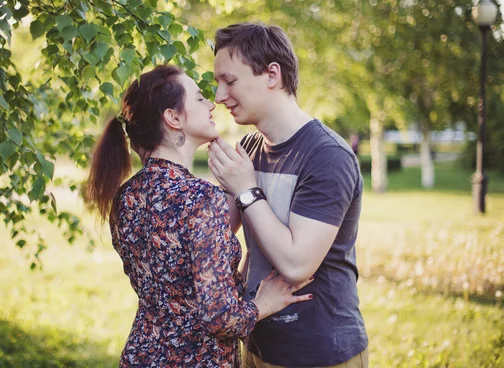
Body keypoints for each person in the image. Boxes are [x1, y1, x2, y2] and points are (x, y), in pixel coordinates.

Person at [84, 65, 314, 367]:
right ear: (174, 117)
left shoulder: (125, 197)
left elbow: (177, 284)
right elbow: (221, 319)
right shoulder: (200, 199)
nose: (212, 103)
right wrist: (262, 305)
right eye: (200, 98)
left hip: (140, 355)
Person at [208, 23, 369, 367]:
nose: (220, 97)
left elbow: (297, 264)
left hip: (318, 352)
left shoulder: (327, 156)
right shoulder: (249, 147)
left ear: (272, 75)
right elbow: (213, 235)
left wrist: (247, 191)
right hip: (256, 343)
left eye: (230, 81)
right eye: (217, 84)